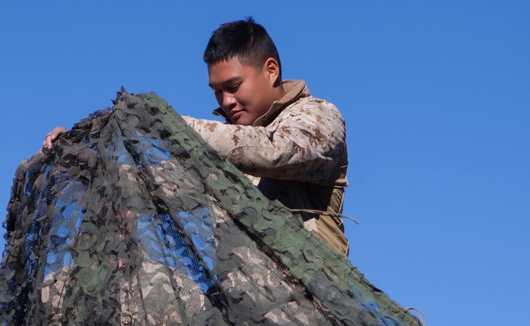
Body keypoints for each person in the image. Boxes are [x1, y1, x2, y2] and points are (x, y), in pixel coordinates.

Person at [42, 18, 350, 255]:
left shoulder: (319, 117)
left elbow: (274, 151)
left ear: (271, 70)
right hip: (241, 308)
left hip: (310, 308)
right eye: (217, 92)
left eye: (233, 86)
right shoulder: (220, 146)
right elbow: (155, 183)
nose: (226, 101)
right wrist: (80, 152)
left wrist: (169, 124)